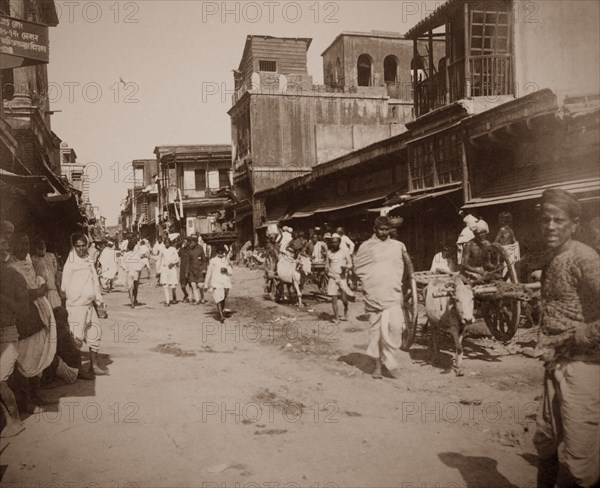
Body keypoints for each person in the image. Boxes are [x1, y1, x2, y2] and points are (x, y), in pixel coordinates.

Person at [533, 188, 600, 488]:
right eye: (545, 219)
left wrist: (584, 335)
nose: (550, 226)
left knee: (580, 461)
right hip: (554, 364)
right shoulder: (553, 258)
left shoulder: (585, 258)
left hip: (583, 369)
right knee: (545, 442)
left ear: (573, 224)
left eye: (558, 220)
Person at [355, 216, 415, 379]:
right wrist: (367, 286)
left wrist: (410, 280)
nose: (383, 232)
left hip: (393, 293)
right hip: (374, 295)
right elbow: (359, 268)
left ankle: (389, 358)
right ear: (374, 229)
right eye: (380, 229)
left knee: (396, 328)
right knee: (376, 333)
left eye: (386, 229)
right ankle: (378, 367)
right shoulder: (366, 246)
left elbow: (407, 264)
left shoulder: (398, 246)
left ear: (390, 230)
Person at [9, 233, 58, 410]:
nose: (24, 248)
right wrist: (37, 292)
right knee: (24, 361)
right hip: (24, 321)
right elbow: (18, 294)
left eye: (27, 244)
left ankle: (36, 396)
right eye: (21, 244)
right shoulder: (11, 267)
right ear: (13, 246)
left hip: (37, 317)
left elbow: (37, 285)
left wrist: (41, 288)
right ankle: (27, 402)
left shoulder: (28, 265)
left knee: (38, 356)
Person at [61, 233, 108, 378]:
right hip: (76, 306)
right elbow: (64, 287)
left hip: (89, 305)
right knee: (77, 338)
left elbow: (94, 280)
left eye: (83, 245)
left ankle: (94, 366)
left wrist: (98, 299)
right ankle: (80, 370)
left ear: (87, 245)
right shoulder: (71, 263)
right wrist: (72, 300)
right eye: (78, 246)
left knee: (95, 333)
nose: (81, 249)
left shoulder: (88, 260)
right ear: (74, 247)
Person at [0, 229, 29, 437]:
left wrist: (3, 299)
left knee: (1, 381)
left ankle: (16, 420)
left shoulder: (14, 275)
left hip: (9, 333)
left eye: (4, 245)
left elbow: (24, 309)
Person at [325, 234, 353, 323]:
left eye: (336, 242)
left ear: (339, 242)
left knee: (344, 299)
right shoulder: (329, 252)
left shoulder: (345, 252)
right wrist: (327, 269)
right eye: (332, 242)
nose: (334, 244)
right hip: (332, 278)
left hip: (342, 278)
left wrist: (345, 267)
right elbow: (327, 264)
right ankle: (337, 318)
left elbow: (350, 264)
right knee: (334, 298)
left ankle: (346, 310)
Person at [31, 239, 62, 309]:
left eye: (43, 244)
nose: (41, 246)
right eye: (39, 245)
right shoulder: (33, 259)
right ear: (35, 247)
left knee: (57, 310)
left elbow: (55, 270)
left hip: (52, 289)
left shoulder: (51, 256)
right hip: (42, 291)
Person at [205, 245, 233, 323]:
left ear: (223, 252)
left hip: (225, 282)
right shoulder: (213, 260)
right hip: (216, 282)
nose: (220, 253)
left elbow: (231, 271)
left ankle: (221, 311)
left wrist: (226, 270)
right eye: (219, 252)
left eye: (222, 252)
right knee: (218, 298)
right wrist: (206, 284)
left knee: (223, 298)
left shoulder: (226, 260)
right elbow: (209, 272)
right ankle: (221, 316)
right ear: (217, 252)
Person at [494, 211, 520, 279]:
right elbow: (515, 241)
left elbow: (495, 241)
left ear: (502, 221)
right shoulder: (511, 230)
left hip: (504, 251)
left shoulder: (502, 229)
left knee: (503, 267)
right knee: (511, 267)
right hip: (510, 252)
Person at [122, 240, 143, 308]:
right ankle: (135, 299)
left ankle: (132, 303)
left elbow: (123, 265)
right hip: (135, 272)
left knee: (130, 288)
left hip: (129, 272)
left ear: (128, 247)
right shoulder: (136, 254)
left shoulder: (125, 254)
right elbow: (140, 265)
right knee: (135, 287)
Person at [159, 237, 179, 307]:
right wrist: (158, 271)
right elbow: (159, 260)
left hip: (172, 269)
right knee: (165, 285)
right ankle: (167, 302)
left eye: (168, 242)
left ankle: (174, 296)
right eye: (166, 242)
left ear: (170, 243)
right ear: (164, 243)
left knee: (173, 285)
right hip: (165, 269)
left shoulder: (173, 249)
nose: (167, 244)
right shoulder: (162, 250)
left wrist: (173, 263)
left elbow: (177, 259)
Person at [187, 237, 207, 304]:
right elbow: (187, 262)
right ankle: (197, 299)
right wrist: (186, 272)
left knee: (200, 285)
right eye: (190, 242)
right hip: (191, 270)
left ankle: (202, 297)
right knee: (193, 284)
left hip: (199, 270)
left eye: (192, 242)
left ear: (196, 242)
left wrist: (204, 269)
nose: (191, 244)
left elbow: (204, 260)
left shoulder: (200, 248)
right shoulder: (189, 249)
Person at [178, 238, 191, 303]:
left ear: (188, 242)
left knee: (191, 285)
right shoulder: (181, 249)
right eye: (184, 242)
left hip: (189, 269)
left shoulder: (191, 250)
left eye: (186, 242)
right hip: (182, 269)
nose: (185, 243)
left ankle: (190, 298)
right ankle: (186, 294)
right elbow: (178, 255)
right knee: (182, 285)